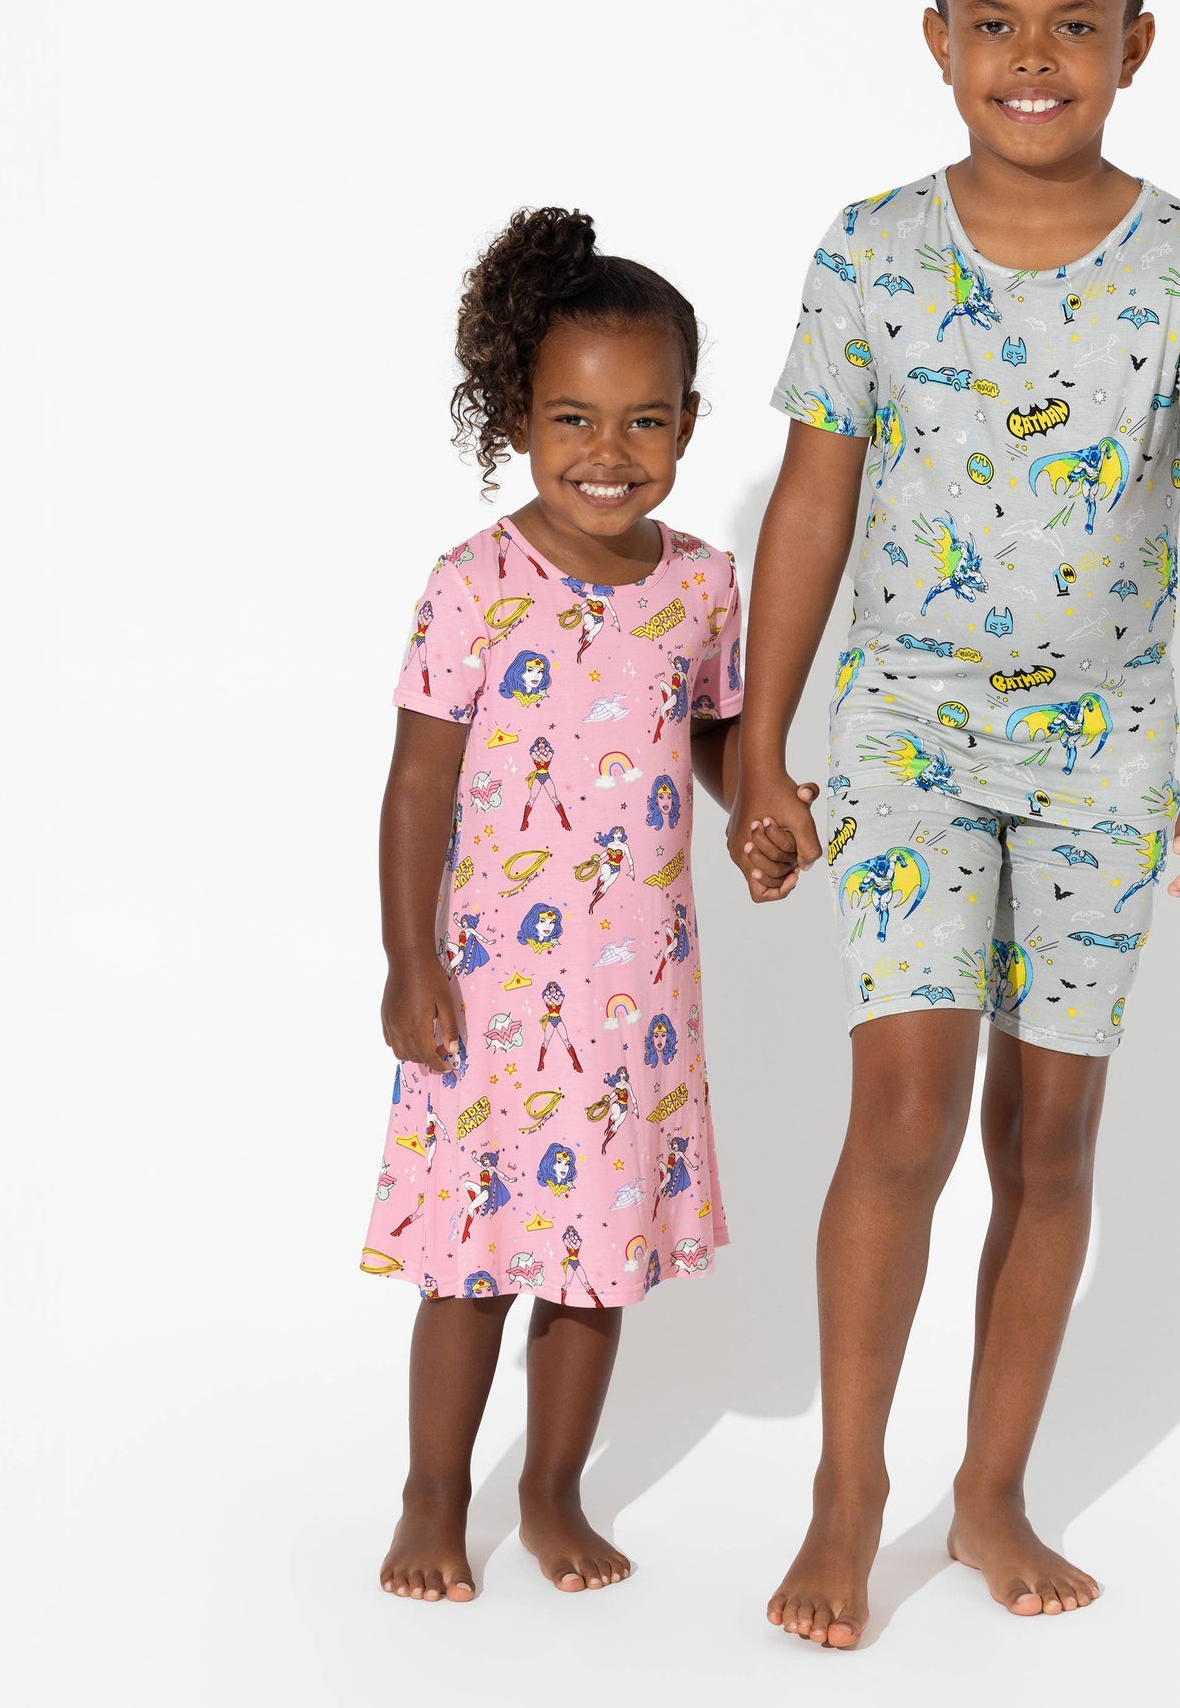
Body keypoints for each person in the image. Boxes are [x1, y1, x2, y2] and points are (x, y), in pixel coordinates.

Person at [731, 0, 1180, 1648]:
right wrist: (762, 738)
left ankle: (989, 1490)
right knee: (900, 1113)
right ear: (936, 38)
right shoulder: (870, 253)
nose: (1030, 58)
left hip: (1104, 754)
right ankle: (847, 1491)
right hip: (903, 731)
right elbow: (810, 502)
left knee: (1047, 1137)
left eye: (1072, 24)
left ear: (1136, 43)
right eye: (993, 22)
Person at [366, 207, 791, 1602]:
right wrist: (408, 961)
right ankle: (434, 1493)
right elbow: (416, 788)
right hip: (488, 996)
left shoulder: (700, 587)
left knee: (596, 1263)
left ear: (687, 425)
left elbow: (713, 735)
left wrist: (763, 810)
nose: (609, 452)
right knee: (472, 1263)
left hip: (634, 998)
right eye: (572, 419)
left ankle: (552, 1490)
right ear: (517, 418)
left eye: (644, 420)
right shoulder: (473, 585)